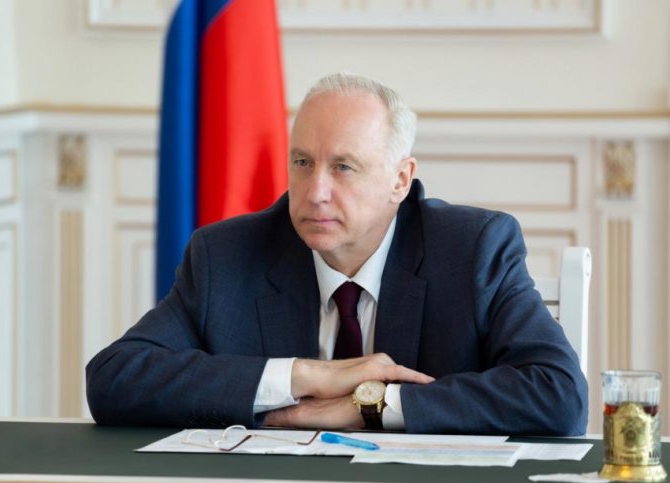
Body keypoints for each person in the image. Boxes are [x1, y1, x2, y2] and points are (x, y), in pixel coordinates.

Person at [86, 73, 588, 435]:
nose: (315, 191)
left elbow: (559, 395)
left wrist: (371, 405)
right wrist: (306, 377)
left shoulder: (474, 249)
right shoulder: (226, 255)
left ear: (400, 179)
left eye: (344, 167)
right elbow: (115, 379)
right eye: (302, 162)